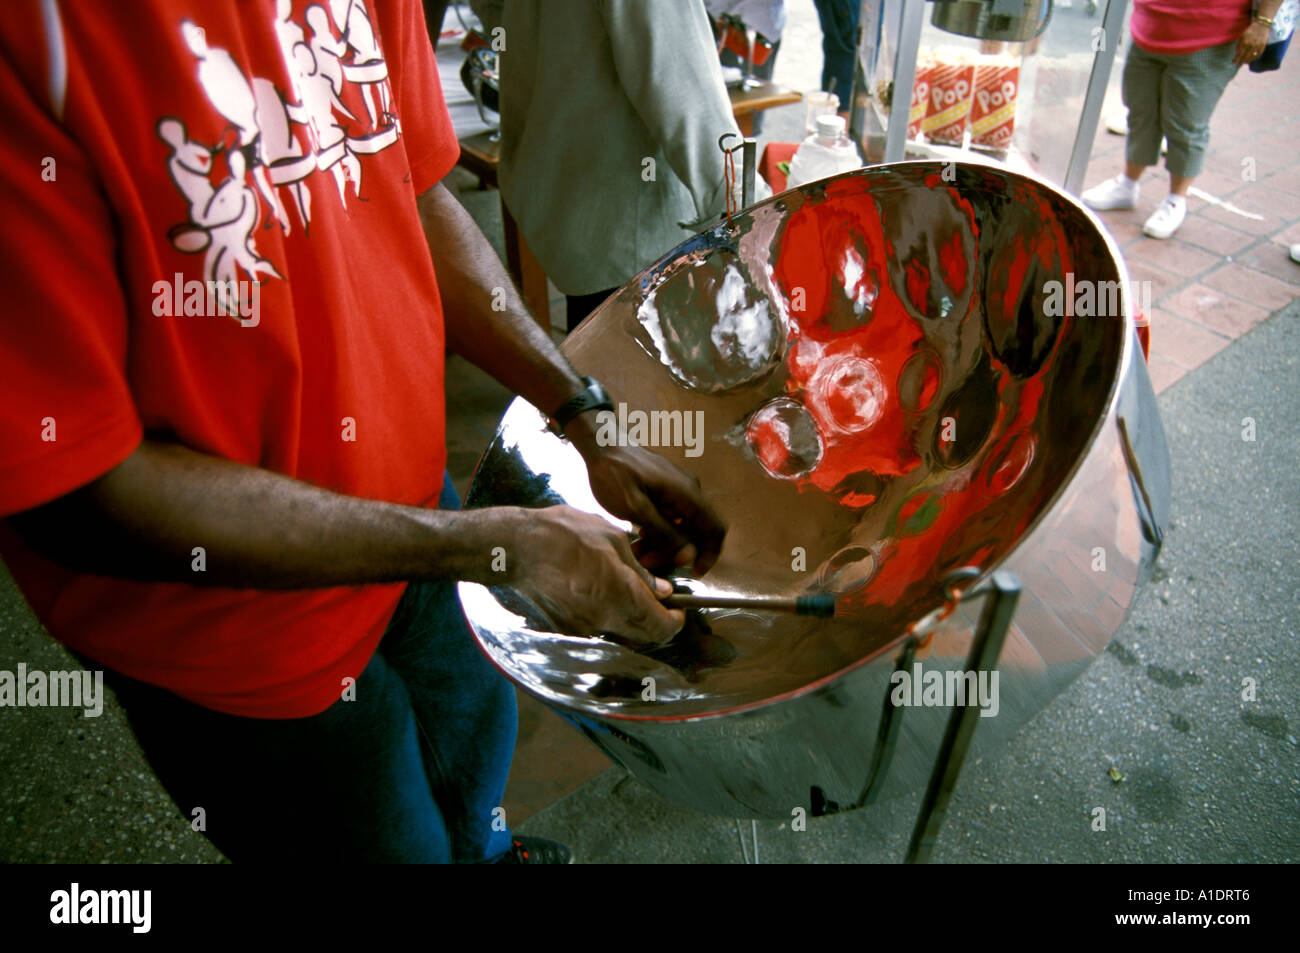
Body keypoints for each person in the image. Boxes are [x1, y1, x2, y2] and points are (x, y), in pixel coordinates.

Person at [0, 0, 724, 864]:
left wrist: (582, 412)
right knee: (389, 840)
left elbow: (407, 186)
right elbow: (80, 488)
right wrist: (490, 546)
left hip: (421, 519)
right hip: (236, 642)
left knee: (471, 777)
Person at [473, 0, 745, 332]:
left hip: (577, 212)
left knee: (604, 358)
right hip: (631, 235)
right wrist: (757, 221)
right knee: (637, 364)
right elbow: (694, 111)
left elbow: (493, 14)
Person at [1081, 0, 1283, 239]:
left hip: (1211, 37)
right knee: (1141, 110)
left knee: (1185, 124)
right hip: (1150, 26)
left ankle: (1176, 199)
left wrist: (1263, 23)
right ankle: (1128, 183)